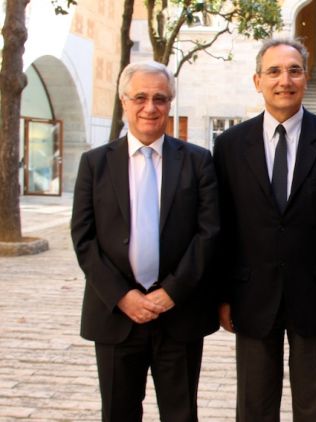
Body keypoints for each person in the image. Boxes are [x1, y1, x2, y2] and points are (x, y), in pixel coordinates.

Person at [212, 38, 316, 422]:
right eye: (274, 71)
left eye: (294, 70)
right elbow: (221, 227)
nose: (285, 80)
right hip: (251, 295)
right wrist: (222, 295)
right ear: (257, 80)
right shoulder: (229, 145)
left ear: (306, 78)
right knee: (254, 406)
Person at [71, 61, 220, 422]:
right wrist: (123, 296)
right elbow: (83, 238)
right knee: (119, 414)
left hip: (179, 314)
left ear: (170, 103)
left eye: (160, 98)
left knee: (181, 414)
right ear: (124, 101)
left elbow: (209, 233)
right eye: (140, 97)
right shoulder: (95, 164)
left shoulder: (198, 162)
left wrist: (171, 291)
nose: (150, 107)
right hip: (115, 316)